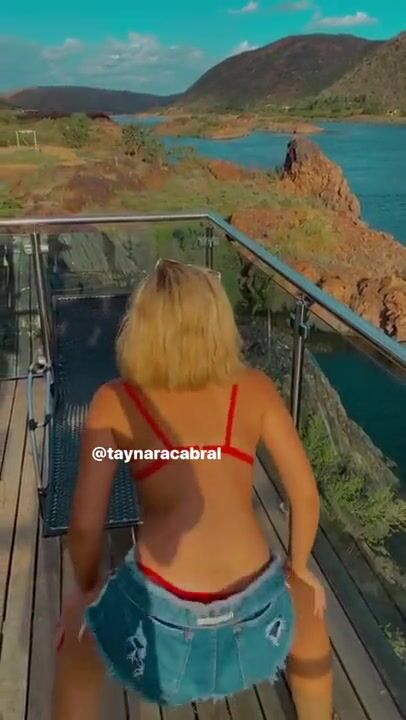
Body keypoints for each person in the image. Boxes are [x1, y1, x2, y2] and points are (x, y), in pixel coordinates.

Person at [52, 258, 333, 720]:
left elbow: (84, 528)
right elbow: (304, 495)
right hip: (257, 617)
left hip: (157, 627)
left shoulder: (115, 402)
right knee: (310, 614)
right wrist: (300, 568)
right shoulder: (255, 389)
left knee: (76, 642)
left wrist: (86, 591)